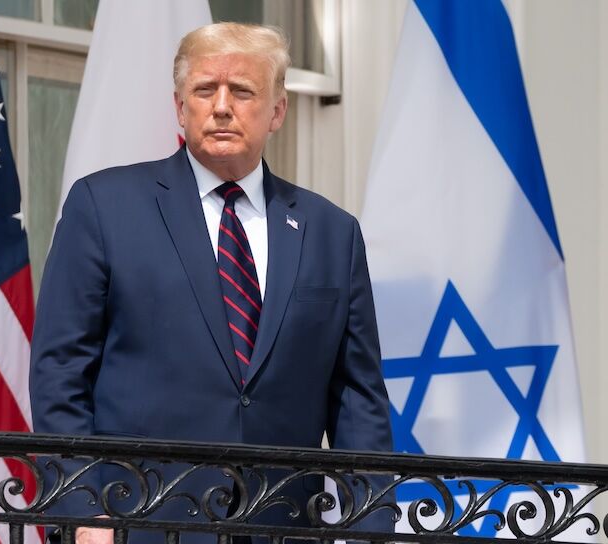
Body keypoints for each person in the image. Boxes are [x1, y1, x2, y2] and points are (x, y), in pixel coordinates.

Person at [30, 22, 393, 544]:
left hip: (282, 529)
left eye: (242, 91)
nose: (221, 106)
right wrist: (83, 510)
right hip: (140, 526)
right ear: (181, 108)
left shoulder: (332, 232)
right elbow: (60, 372)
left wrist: (369, 529)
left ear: (277, 111)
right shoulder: (104, 207)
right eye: (205, 90)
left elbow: (360, 402)